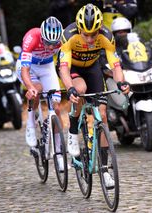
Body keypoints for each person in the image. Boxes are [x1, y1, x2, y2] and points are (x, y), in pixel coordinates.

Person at [58, 3, 130, 187]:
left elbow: (115, 65)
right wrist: (70, 88)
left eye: (93, 34)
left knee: (103, 114)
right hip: (72, 68)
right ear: (79, 29)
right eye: (85, 34)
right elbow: (64, 67)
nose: (90, 39)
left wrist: (121, 82)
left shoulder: (106, 35)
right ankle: (73, 132)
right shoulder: (69, 35)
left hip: (92, 68)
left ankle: (105, 170)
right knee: (80, 90)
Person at [15, 16, 65, 171]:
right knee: (36, 89)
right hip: (28, 68)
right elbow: (25, 70)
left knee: (56, 108)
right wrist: (30, 87)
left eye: (54, 44)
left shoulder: (62, 39)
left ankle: (59, 153)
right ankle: (30, 123)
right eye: (47, 43)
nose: (51, 47)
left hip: (47, 67)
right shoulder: (32, 37)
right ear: (42, 36)